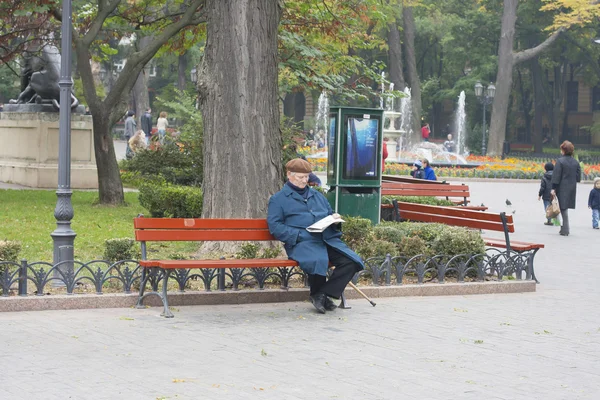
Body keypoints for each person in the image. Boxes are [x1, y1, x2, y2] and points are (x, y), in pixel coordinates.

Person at [267, 158, 365, 314]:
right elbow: (275, 226)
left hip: (327, 239)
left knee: (352, 261)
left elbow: (329, 213)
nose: (305, 180)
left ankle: (323, 293)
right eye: (300, 177)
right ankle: (318, 296)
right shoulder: (278, 199)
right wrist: (298, 235)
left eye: (307, 177)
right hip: (301, 242)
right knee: (317, 259)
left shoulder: (317, 196)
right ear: (289, 175)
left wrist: (334, 219)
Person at [551, 140, 581, 236]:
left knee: (563, 208)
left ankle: (565, 229)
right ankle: (563, 228)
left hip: (561, 187)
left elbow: (556, 176)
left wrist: (553, 188)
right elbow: (578, 178)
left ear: (563, 150)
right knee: (564, 207)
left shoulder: (560, 161)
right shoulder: (576, 162)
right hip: (571, 187)